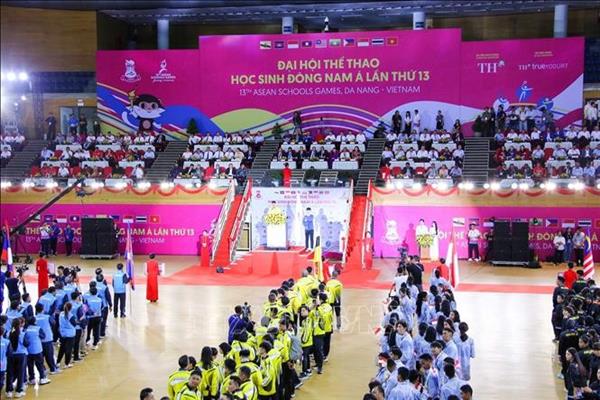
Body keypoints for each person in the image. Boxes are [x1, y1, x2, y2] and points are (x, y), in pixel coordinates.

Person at [6, 318, 28, 397]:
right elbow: (26, 344)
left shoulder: (9, 333)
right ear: (20, 324)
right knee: (20, 373)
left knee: (10, 373)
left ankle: (9, 391)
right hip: (21, 355)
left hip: (11, 355)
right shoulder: (22, 334)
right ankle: (18, 391)